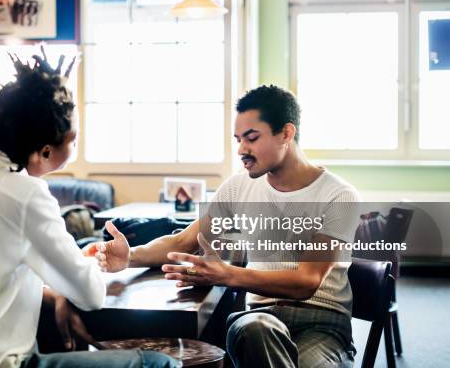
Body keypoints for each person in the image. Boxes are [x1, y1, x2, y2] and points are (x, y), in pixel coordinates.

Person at [0, 47, 178, 368]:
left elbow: (3, 264)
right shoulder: (25, 194)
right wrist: (94, 261)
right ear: (44, 152)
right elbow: (92, 295)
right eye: (73, 140)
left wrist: (62, 285)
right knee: (157, 364)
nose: (76, 146)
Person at [92, 85, 360, 367]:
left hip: (322, 324)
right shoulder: (237, 187)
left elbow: (306, 281)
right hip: (259, 319)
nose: (242, 149)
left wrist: (226, 274)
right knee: (257, 327)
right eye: (238, 139)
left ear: (286, 133)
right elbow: (184, 242)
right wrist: (131, 255)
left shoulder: (339, 195)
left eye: (252, 138)